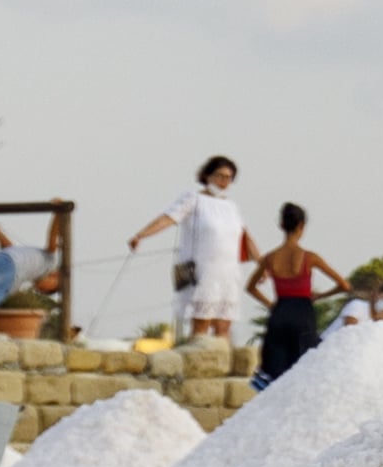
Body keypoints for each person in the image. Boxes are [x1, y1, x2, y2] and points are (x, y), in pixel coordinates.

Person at [129, 157, 247, 343]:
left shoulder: (231, 207)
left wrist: (261, 262)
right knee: (202, 323)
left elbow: (245, 237)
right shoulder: (194, 199)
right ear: (207, 175)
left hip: (227, 273)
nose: (224, 182)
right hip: (202, 270)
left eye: (229, 178)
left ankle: (221, 364)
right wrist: (141, 235)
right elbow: (168, 218)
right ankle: (198, 360)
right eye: (220, 176)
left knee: (224, 325)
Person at [242, 208, 342, 384]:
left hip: (280, 311)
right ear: (302, 226)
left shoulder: (270, 258)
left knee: (275, 369)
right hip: (302, 312)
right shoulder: (310, 257)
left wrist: (271, 305)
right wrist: (321, 295)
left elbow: (250, 287)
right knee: (304, 366)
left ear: (281, 225)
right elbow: (344, 285)